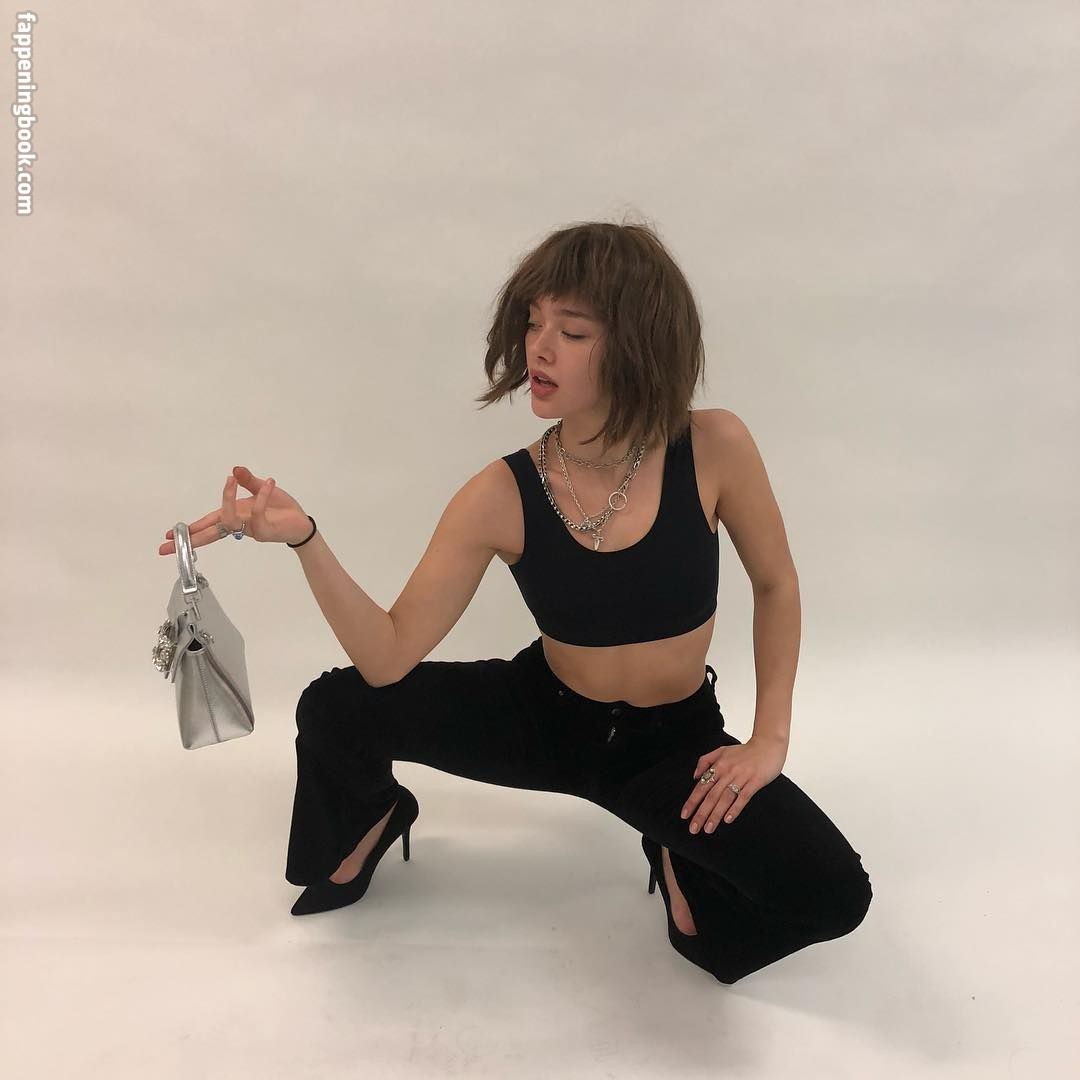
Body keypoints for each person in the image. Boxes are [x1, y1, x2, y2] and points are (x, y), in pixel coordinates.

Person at [158, 221, 872, 985]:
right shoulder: (500, 494)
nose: (540, 348)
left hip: (672, 745)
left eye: (573, 331)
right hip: (544, 717)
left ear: (640, 344)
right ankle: (379, 813)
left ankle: (671, 845)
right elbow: (389, 655)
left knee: (830, 896)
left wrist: (769, 739)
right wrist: (306, 538)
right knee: (337, 706)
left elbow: (776, 584)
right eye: (533, 323)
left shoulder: (715, 446)